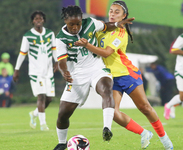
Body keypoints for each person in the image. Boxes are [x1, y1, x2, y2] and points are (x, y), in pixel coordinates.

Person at [75, 1, 173, 150]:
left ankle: (165, 139)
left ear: (124, 16)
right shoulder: (101, 28)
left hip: (127, 74)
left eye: (117, 12)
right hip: (110, 78)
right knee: (113, 112)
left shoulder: (121, 32)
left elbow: (107, 52)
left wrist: (87, 45)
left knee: (145, 107)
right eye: (111, 11)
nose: (112, 14)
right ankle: (144, 133)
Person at [53, 5, 134, 150]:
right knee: (63, 114)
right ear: (65, 21)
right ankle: (61, 142)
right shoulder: (60, 38)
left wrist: (116, 24)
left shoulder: (90, 23)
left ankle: (106, 128)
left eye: (78, 23)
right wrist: (65, 72)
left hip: (97, 67)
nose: (75, 27)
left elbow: (105, 26)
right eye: (71, 24)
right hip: (77, 74)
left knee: (106, 89)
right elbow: (62, 62)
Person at [13, 10, 58, 131]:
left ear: (43, 20)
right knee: (41, 96)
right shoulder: (28, 36)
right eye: (36, 19)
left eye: (40, 18)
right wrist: (16, 70)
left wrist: (57, 62)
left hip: (48, 71)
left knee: (49, 99)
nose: (38, 21)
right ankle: (43, 124)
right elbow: (22, 54)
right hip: (35, 71)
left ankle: (34, 114)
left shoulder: (50, 34)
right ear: (33, 21)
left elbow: (54, 49)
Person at [164, 33, 183, 120]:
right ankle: (168, 105)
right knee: (182, 96)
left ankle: (172, 106)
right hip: (181, 70)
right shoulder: (182, 37)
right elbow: (173, 50)